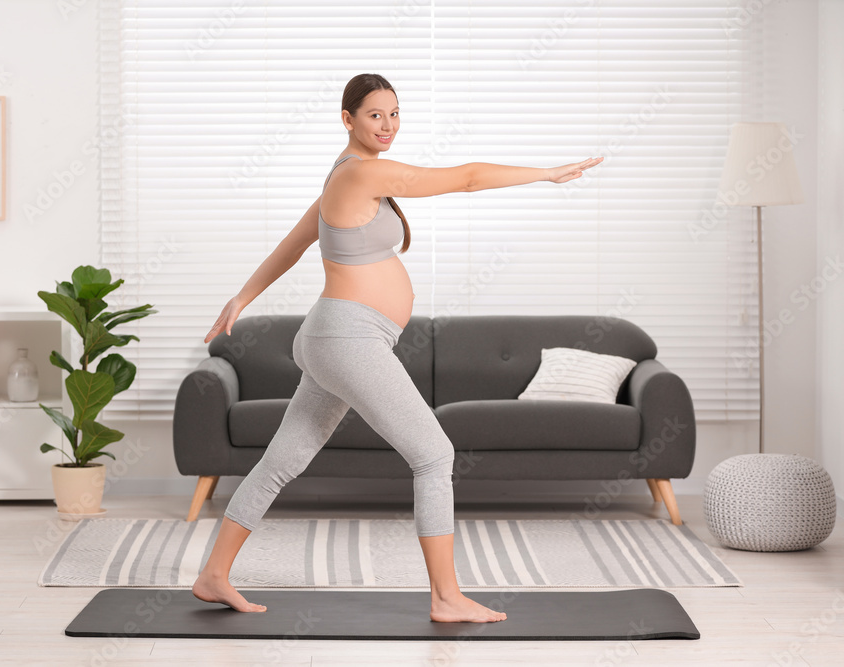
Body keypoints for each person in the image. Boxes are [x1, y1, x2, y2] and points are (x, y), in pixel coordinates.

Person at [192, 72, 603, 623]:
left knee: (280, 462)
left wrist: (241, 298)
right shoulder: (360, 174)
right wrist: (546, 173)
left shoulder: (350, 177)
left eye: (394, 113)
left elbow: (296, 240)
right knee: (434, 455)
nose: (388, 125)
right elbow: (468, 178)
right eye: (374, 115)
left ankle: (213, 576)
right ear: (348, 119)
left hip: (336, 337)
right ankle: (446, 597)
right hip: (347, 338)